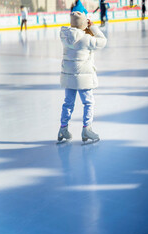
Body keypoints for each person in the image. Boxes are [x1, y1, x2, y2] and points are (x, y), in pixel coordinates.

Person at [58, 11, 107, 142]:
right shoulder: (86, 39)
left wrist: (84, 26)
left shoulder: (65, 36)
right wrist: (93, 27)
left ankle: (63, 128)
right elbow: (102, 41)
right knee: (88, 102)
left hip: (68, 76)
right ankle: (87, 129)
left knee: (68, 103)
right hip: (83, 78)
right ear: (84, 24)